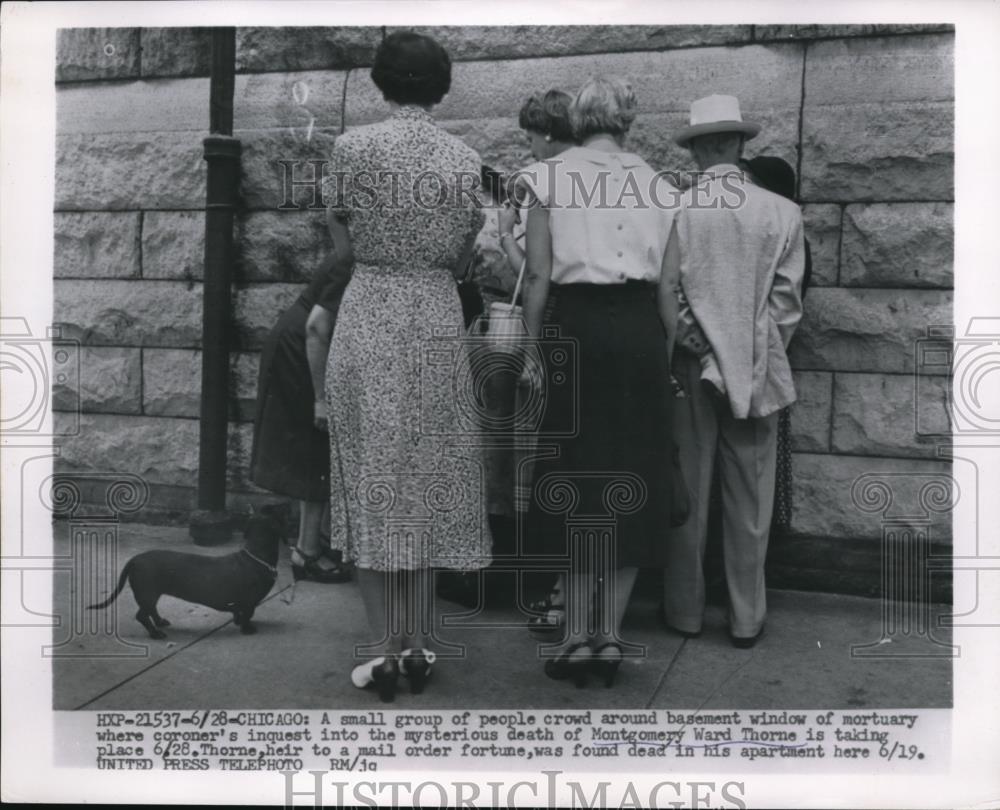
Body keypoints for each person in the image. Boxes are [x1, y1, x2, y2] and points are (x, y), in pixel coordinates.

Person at [315, 31, 491, 702]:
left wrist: (376, 254)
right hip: (435, 315)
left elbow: (339, 236)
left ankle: (384, 651)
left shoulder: (352, 148)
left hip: (372, 310)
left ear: (381, 82)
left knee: (370, 478)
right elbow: (468, 249)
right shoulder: (464, 158)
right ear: (440, 86)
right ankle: (418, 644)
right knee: (425, 477)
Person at [518, 77, 684, 688]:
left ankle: (572, 639)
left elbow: (537, 277)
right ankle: (608, 637)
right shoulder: (663, 186)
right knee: (632, 480)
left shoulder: (546, 177)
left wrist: (535, 354)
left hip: (577, 330)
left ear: (577, 120)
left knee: (572, 477)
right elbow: (669, 291)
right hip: (640, 331)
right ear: (628, 122)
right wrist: (662, 361)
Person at [662, 95, 806, 648]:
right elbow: (787, 305)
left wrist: (701, 347)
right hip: (755, 368)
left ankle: (684, 612)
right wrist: (747, 349)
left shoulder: (676, 209)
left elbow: (668, 289)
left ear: (698, 146)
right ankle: (746, 618)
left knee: (690, 492)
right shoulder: (782, 212)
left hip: (689, 367)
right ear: (741, 144)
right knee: (751, 498)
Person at [495, 90, 577, 635]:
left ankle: (552, 588)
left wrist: (505, 234)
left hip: (548, 329)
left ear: (543, 134)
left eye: (529, 136)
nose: (528, 145)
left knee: (542, 462)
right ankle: (563, 587)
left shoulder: (539, 183)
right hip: (590, 326)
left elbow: (535, 275)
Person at [250, 254, 352, 583]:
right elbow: (317, 326)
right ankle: (307, 553)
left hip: (305, 344)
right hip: (305, 348)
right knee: (316, 444)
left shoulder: (355, 251)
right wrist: (321, 399)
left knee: (319, 447)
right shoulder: (351, 259)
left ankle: (317, 540)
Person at [742, 156, 813, 535]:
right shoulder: (782, 231)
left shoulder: (786, 232)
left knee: (759, 467)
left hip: (767, 361)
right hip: (769, 358)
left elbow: (788, 304)